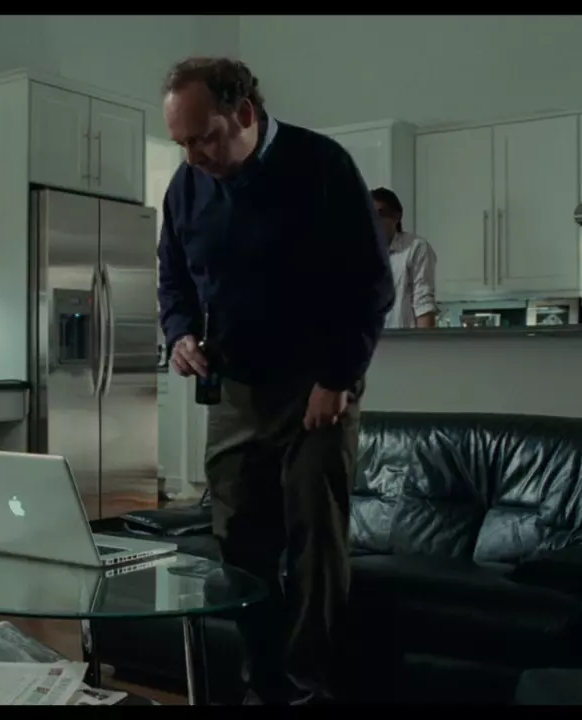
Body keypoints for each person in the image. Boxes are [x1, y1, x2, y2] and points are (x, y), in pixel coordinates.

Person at [155, 57, 394, 705]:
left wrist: (338, 378)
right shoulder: (186, 188)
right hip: (236, 390)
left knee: (315, 534)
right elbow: (173, 279)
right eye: (181, 143)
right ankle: (260, 683)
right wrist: (180, 332)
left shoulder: (322, 166)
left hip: (318, 387)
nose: (192, 155)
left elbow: (372, 284)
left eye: (203, 138)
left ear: (244, 113)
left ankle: (309, 683)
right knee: (238, 541)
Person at [371, 187, 437, 329]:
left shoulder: (415, 248)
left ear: (396, 216)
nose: (375, 221)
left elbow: (423, 302)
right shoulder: (363, 255)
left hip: (406, 339)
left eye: (380, 214)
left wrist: (427, 342)